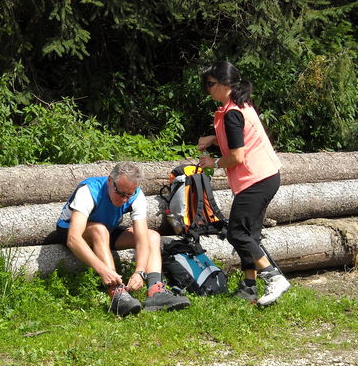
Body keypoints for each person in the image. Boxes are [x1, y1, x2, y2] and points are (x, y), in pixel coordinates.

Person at [197, 61, 290, 306]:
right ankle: (249, 286)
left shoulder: (232, 113)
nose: (207, 90)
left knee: (237, 232)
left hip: (256, 179)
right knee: (250, 234)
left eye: (210, 84)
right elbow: (239, 138)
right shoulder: (240, 105)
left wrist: (213, 163)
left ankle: (274, 278)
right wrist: (213, 138)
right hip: (266, 176)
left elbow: (237, 156)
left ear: (225, 83)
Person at [55, 161, 190, 316]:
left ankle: (156, 293)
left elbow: (142, 238)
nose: (124, 199)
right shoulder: (89, 190)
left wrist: (139, 272)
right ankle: (117, 294)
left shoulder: (136, 194)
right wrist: (102, 270)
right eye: (120, 193)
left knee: (152, 236)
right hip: (70, 231)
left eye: (129, 195)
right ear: (110, 181)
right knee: (100, 230)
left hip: (106, 229)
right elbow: (73, 238)